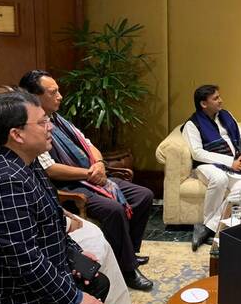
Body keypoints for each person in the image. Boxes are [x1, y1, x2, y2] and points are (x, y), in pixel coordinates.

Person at [0, 91, 116, 304]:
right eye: (42, 122)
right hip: (7, 300)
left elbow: (52, 220)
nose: (50, 127)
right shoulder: (4, 182)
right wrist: (75, 299)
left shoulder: (26, 163)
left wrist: (74, 255)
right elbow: (25, 260)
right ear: (17, 134)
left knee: (97, 282)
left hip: (26, 283)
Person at [19, 70, 153, 291]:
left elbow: (88, 144)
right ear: (35, 96)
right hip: (70, 185)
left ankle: (128, 252)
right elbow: (50, 169)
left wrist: (99, 164)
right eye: (53, 92)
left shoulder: (59, 120)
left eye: (58, 91)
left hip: (90, 175)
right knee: (113, 210)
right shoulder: (33, 126)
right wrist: (89, 174)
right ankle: (128, 270)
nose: (60, 96)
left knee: (144, 195)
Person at [181, 85, 241, 251]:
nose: (221, 100)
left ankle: (208, 227)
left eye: (219, 97)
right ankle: (213, 228)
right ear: (203, 104)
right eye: (216, 98)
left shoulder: (227, 115)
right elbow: (197, 153)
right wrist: (229, 161)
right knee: (220, 179)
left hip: (235, 164)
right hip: (206, 165)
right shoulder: (192, 124)